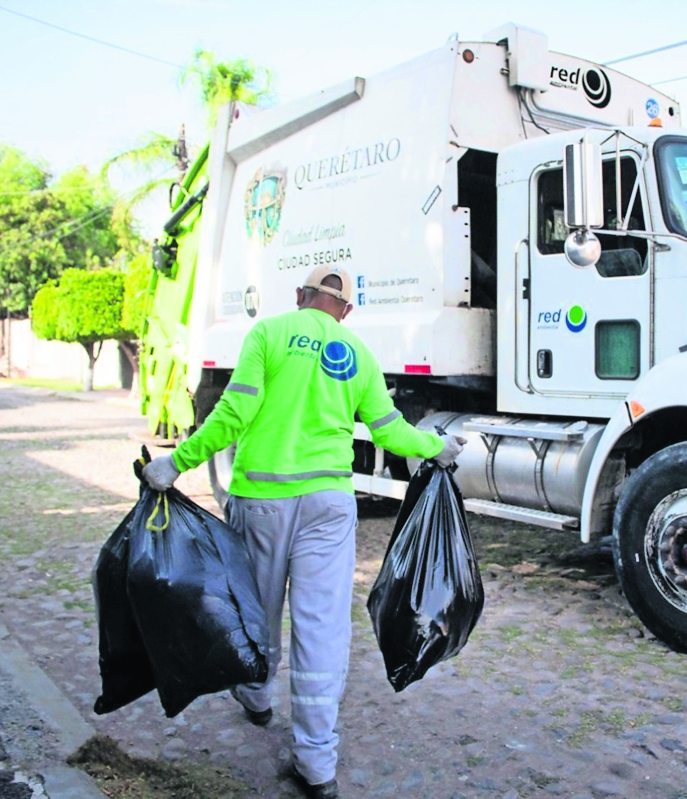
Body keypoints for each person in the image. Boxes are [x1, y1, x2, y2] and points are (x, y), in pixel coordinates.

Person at [142, 265, 464, 799]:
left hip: (263, 502)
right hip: (329, 507)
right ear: (345, 310)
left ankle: (256, 694)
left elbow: (233, 412)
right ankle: (316, 763)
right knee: (321, 630)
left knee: (257, 611)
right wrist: (438, 448)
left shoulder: (267, 333)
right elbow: (388, 430)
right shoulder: (357, 351)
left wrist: (178, 461)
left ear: (300, 297)